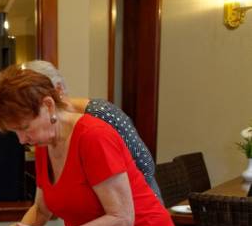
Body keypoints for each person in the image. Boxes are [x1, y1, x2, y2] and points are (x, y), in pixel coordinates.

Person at [0, 65, 181, 226]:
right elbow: (42, 209)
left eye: (25, 128)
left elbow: (122, 217)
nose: (22, 139)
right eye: (15, 132)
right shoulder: (45, 143)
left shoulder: (94, 136)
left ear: (48, 105)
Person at [21, 60, 163, 202]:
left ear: (57, 90)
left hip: (138, 205)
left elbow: (144, 164)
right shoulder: (51, 133)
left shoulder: (102, 114)